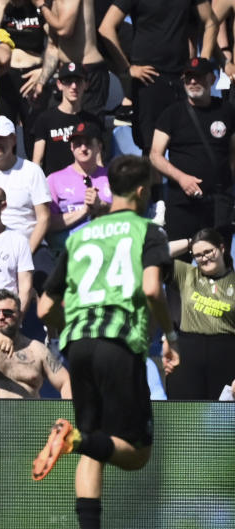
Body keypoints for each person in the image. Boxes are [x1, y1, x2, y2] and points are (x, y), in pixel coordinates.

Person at [33, 154, 178, 529]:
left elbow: (45, 307)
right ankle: (72, 438)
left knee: (95, 443)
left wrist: (68, 334)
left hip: (77, 343)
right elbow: (152, 289)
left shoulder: (80, 236)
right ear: (143, 191)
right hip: (119, 342)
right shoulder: (148, 231)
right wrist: (169, 336)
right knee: (136, 453)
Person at [98, 0, 217, 154]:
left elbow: (211, 21)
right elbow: (106, 27)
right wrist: (127, 69)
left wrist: (202, 64)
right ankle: (153, 179)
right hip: (148, 79)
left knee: (186, 145)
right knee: (151, 148)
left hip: (181, 78)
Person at [150, 58, 235, 247]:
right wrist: (181, 178)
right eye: (189, 78)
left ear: (212, 79)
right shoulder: (172, 113)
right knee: (179, 266)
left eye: (198, 77)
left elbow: (233, 152)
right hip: (182, 202)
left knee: (220, 262)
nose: (193, 82)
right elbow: (155, 155)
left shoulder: (226, 110)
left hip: (219, 202)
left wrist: (227, 185)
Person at [0, 115, 53, 284]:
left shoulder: (32, 171)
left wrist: (25, 254)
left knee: (49, 283)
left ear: (14, 139)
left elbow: (44, 218)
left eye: (1, 138)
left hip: (29, 243)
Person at [163, 228, 235, 399]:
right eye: (198, 255)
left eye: (209, 251)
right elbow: (149, 254)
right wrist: (190, 242)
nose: (204, 258)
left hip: (226, 354)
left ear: (222, 248)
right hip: (188, 353)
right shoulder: (187, 274)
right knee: (185, 420)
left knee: (221, 424)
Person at [31, 0, 109, 118]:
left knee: (87, 132)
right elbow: (53, 47)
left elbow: (64, 30)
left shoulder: (45, 5)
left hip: (87, 72)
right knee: (58, 126)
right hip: (66, 73)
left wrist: (41, 5)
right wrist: (41, 83)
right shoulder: (52, 3)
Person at [46, 120, 111, 252]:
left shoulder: (113, 176)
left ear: (99, 146)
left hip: (108, 245)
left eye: (88, 143)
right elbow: (48, 223)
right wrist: (84, 211)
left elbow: (129, 212)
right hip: (70, 250)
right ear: (71, 147)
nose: (83, 148)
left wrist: (102, 206)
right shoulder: (54, 179)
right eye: (78, 144)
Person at [0, 0, 47, 134]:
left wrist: (44, 71)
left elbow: (56, 42)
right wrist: (2, 4)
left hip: (33, 74)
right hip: (5, 75)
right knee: (4, 130)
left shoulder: (39, 7)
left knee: (35, 131)